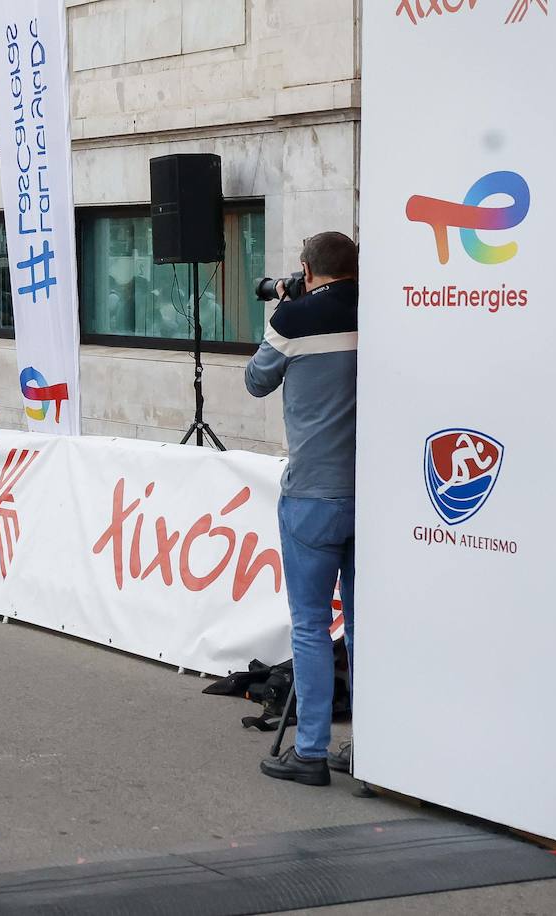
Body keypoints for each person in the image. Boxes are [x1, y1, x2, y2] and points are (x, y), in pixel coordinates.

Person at [245, 231, 359, 787]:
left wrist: (286, 311)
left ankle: (311, 750)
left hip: (313, 493)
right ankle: (368, 749)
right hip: (373, 496)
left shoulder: (295, 320)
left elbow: (255, 381)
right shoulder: (382, 312)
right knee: (365, 625)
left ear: (307, 270)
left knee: (312, 626)